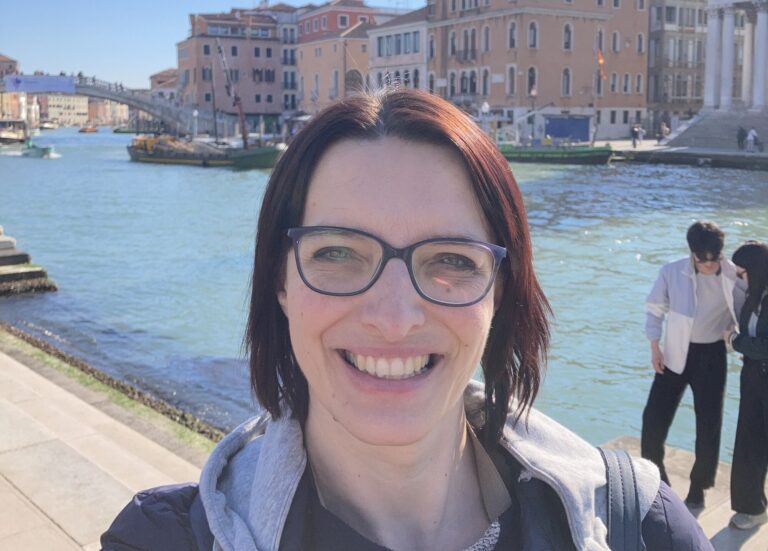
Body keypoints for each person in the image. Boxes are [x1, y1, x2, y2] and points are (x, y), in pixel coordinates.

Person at [101, 89, 711, 550]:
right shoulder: (160, 539)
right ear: (279, 283)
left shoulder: (643, 526)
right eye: (336, 253)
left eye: (452, 260)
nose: (393, 318)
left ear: (501, 293)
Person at [642, 221, 744, 509]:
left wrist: (737, 336)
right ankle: (657, 481)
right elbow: (654, 309)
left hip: (712, 355)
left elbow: (748, 309)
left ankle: (699, 487)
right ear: (692, 253)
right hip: (674, 353)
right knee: (653, 420)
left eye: (715, 258)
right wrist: (654, 346)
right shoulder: (671, 271)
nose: (709, 264)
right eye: (703, 258)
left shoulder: (734, 275)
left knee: (709, 424)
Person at [726, 242, 768, 530]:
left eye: (742, 273)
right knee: (749, 441)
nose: (740, 278)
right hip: (753, 375)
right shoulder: (753, 294)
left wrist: (736, 342)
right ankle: (752, 508)